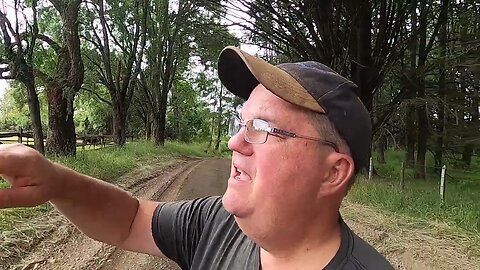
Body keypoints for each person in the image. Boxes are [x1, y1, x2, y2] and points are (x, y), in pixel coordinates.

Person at [0, 46, 393, 269]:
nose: (235, 143)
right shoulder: (217, 223)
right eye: (241, 125)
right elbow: (130, 219)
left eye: (262, 129)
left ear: (333, 173)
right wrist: (54, 180)